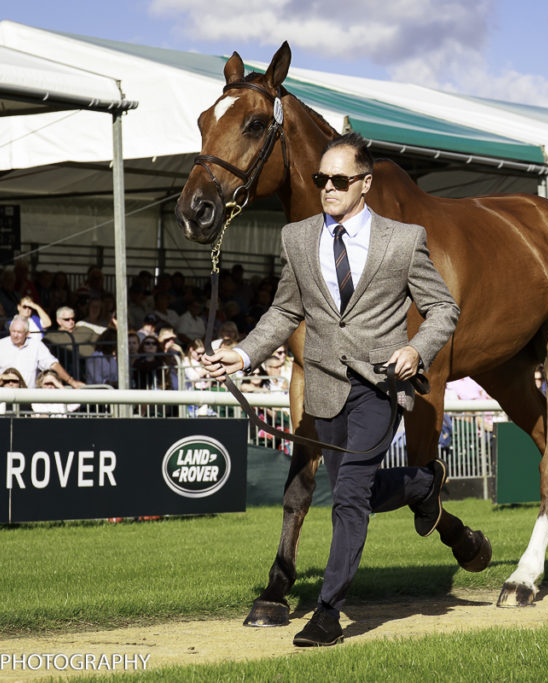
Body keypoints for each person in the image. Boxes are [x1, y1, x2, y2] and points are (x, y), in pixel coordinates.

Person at [204, 133, 459, 648]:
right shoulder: (297, 238)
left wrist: (416, 350)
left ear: (365, 184)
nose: (328, 188)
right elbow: (284, 311)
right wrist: (245, 353)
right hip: (324, 387)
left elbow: (443, 310)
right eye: (322, 179)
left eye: (340, 180)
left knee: (347, 497)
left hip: (381, 386)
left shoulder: (404, 239)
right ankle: (419, 484)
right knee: (356, 492)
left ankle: (327, 611)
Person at [0, 315, 84, 391]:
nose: (15, 335)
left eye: (19, 332)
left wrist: (71, 381)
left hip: (28, 399)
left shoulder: (36, 345)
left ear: (27, 333)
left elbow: (52, 364)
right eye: (13, 331)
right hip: (2, 398)